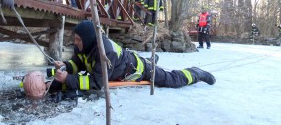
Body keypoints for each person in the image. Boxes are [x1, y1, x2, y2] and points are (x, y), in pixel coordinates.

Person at [46, 20, 216, 92]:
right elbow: (78, 63)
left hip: (138, 69)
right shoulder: (84, 46)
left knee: (172, 80)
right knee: (146, 62)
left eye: (78, 39)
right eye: (75, 39)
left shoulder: (105, 53)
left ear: (88, 39)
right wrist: (66, 66)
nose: (75, 43)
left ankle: (195, 72)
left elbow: (97, 83)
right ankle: (151, 60)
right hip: (125, 61)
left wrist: (67, 79)